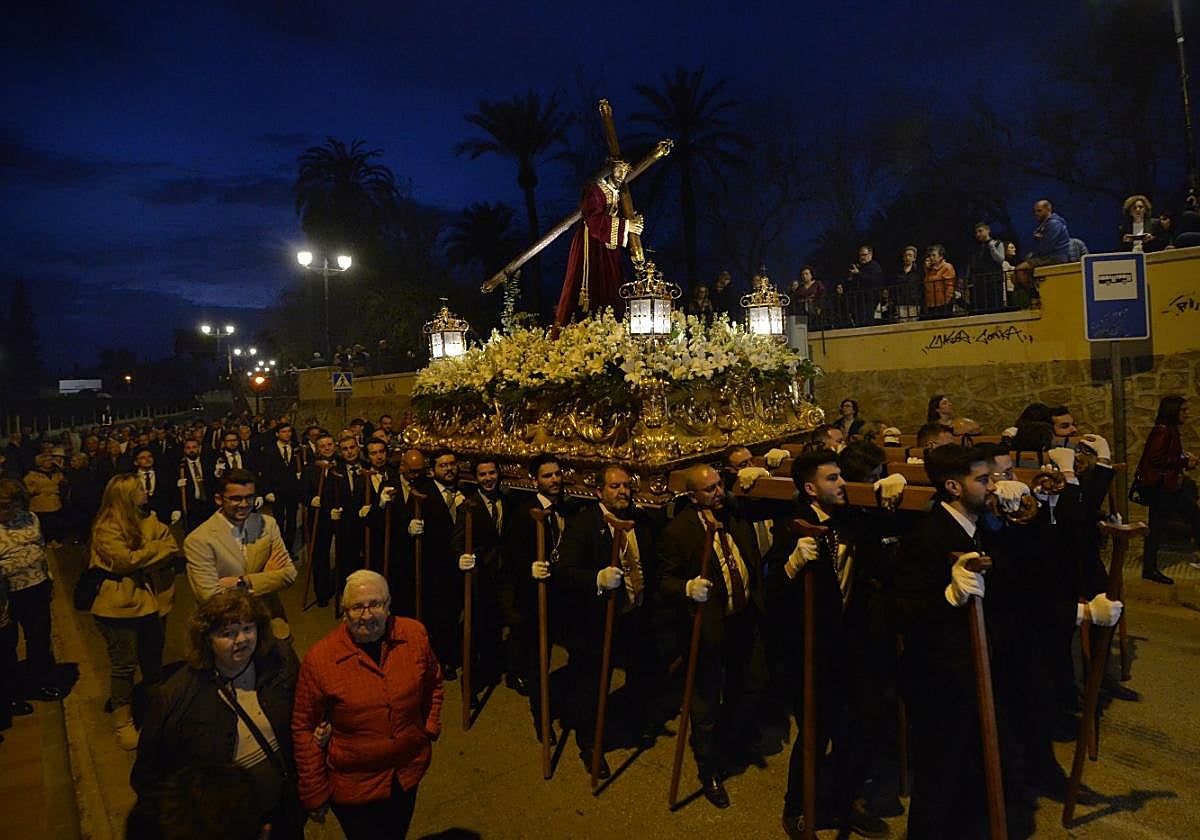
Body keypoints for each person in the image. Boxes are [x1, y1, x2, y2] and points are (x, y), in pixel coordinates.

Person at [132, 589, 303, 839]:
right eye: (227, 633)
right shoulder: (176, 696)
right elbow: (149, 775)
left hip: (282, 807)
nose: (242, 639)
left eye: (248, 628)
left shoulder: (279, 660)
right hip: (225, 829)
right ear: (206, 639)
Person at [292, 570, 443, 840]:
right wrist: (313, 791)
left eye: (375, 604)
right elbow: (304, 726)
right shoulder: (321, 660)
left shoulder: (414, 635)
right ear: (344, 612)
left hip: (406, 772)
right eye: (357, 607)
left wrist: (429, 727)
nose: (368, 615)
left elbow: (434, 683)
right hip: (355, 787)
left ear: (388, 606)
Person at [658, 464, 766, 809]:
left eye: (720, 485)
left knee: (748, 685)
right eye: (710, 489)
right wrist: (687, 587)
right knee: (705, 702)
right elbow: (665, 580)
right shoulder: (679, 531)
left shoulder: (733, 516)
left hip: (742, 621)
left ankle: (733, 742)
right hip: (706, 627)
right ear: (693, 496)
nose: (718, 492)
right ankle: (709, 767)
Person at [557, 463, 662, 778]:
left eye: (626, 486)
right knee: (592, 684)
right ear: (600, 490)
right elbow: (565, 571)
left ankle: (631, 720)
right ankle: (590, 743)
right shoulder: (584, 524)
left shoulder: (640, 521)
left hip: (635, 614)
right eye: (615, 486)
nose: (622, 492)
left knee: (640, 674)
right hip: (596, 620)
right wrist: (597, 579)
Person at [89, 474, 181, 749]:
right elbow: (123, 561)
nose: (146, 491)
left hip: (153, 604)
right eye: (140, 489)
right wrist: (153, 552)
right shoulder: (107, 526)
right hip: (120, 607)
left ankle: (156, 711)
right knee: (124, 665)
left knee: (153, 661)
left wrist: (141, 556)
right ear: (126, 495)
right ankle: (124, 722)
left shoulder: (151, 519)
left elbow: (172, 547)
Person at [502, 452, 581, 740]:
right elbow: (509, 561)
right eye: (548, 475)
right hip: (535, 600)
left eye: (558, 473)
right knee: (539, 662)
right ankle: (542, 717)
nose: (555, 479)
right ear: (535, 480)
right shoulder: (525, 515)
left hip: (564, 599)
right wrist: (528, 570)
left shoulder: (570, 511)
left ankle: (572, 707)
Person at [185, 469, 298, 639]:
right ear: (218, 499)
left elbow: (289, 574)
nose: (245, 504)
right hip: (228, 630)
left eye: (249, 497)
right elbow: (211, 597)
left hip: (269, 620)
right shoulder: (199, 540)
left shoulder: (267, 524)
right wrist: (266, 577)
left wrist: (242, 581)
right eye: (236, 498)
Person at [554, 158, 646, 327]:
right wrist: (626, 225)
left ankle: (612, 327)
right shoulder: (594, 190)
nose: (621, 174)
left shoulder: (618, 193)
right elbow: (594, 220)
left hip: (608, 245)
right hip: (591, 243)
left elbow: (616, 218)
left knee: (612, 282)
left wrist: (632, 224)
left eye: (625, 170)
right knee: (593, 282)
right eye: (619, 169)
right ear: (610, 168)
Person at [0, 479, 61, 703]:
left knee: (39, 639)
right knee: (7, 646)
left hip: (36, 589)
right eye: (5, 506)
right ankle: (12, 694)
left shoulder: (30, 519)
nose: (10, 511)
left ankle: (41, 682)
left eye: (14, 505)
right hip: (6, 595)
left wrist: (49, 580)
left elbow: (41, 550)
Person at [1135, 396, 1200, 583]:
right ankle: (1149, 569)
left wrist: (1182, 457)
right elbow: (1155, 459)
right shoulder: (1163, 431)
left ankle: (1150, 568)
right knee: (1156, 528)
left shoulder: (1170, 430)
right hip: (1162, 489)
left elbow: (1165, 455)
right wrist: (1183, 461)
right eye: (1183, 410)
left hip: (1171, 487)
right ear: (1172, 411)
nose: (1186, 414)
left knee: (1194, 516)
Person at [1014, 199, 1071, 290]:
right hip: (1048, 256)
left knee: (1020, 270)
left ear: (1048, 210)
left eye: (1039, 211)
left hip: (1054, 257)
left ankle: (1035, 296)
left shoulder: (1053, 224)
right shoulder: (1045, 225)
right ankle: (1037, 292)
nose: (1036, 213)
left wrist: (1033, 256)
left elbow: (1046, 247)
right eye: (1035, 211)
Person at [24, 453, 66, 548]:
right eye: (47, 461)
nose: (50, 462)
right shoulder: (32, 474)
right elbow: (26, 487)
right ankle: (44, 540)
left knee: (54, 523)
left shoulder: (56, 473)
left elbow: (63, 482)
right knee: (43, 523)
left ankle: (52, 539)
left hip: (54, 502)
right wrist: (36, 490)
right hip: (40, 503)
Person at [964, 222, 1006, 311]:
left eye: (980, 231)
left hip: (993, 280)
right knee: (981, 307)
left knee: (995, 306)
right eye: (976, 232)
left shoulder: (997, 243)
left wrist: (992, 248)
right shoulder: (976, 247)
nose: (978, 234)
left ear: (988, 231)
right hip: (979, 282)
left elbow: (1000, 259)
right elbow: (972, 264)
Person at [922, 244, 956, 318]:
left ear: (941, 256)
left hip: (943, 303)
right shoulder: (929, 269)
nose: (931, 258)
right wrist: (927, 269)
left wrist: (947, 301)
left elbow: (949, 286)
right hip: (931, 303)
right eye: (930, 255)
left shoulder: (947, 267)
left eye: (934, 255)